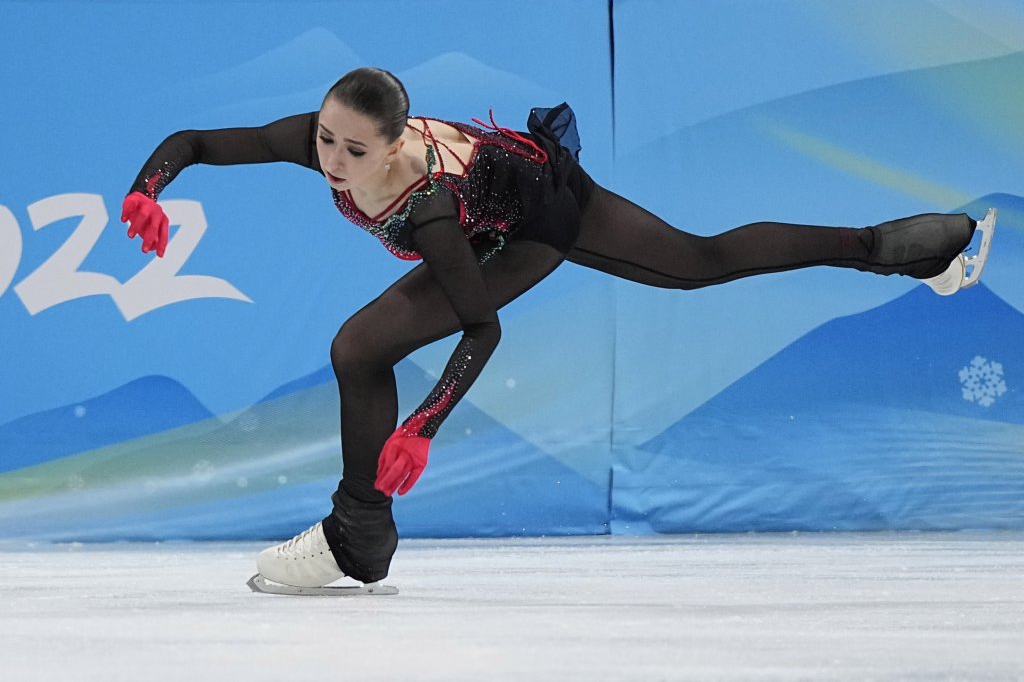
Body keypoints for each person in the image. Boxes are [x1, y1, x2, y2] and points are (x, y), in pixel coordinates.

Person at [122, 67, 994, 590]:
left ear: (393, 147)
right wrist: (146, 191)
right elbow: (194, 140)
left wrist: (423, 425)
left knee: (697, 263)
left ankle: (903, 245)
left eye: (354, 151)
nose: (333, 162)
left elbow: (481, 326)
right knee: (362, 347)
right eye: (324, 140)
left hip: (538, 220)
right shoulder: (320, 143)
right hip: (506, 199)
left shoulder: (428, 205)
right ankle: (360, 537)